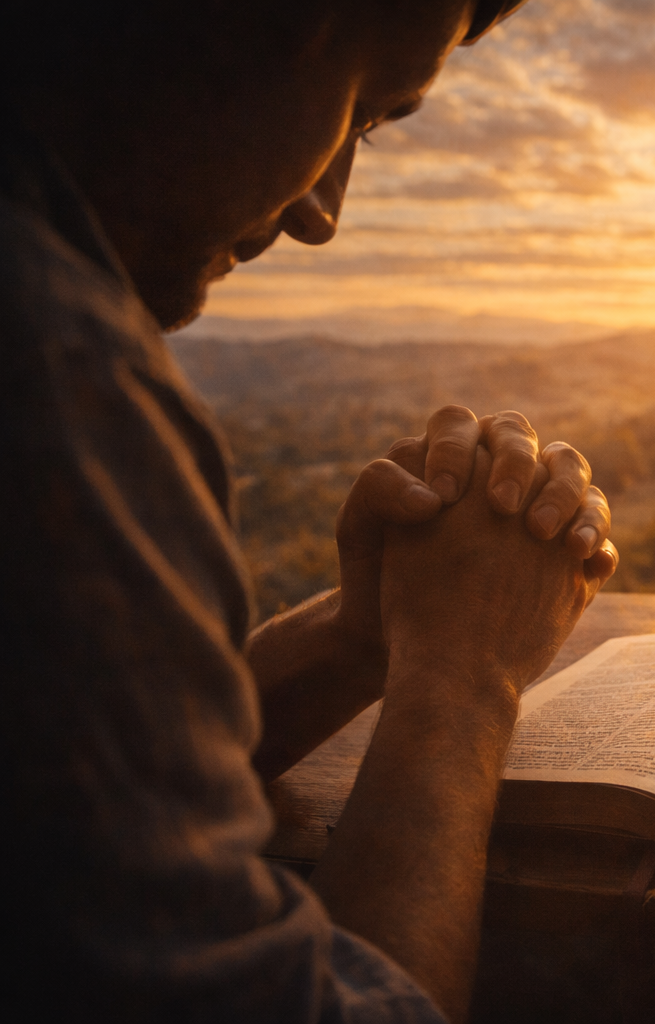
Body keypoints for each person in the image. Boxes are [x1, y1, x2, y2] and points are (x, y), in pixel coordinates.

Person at [0, 3, 616, 1020]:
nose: (323, 212)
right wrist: (464, 678)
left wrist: (359, 636)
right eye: (363, 109)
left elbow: (65, 802)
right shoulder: (52, 379)